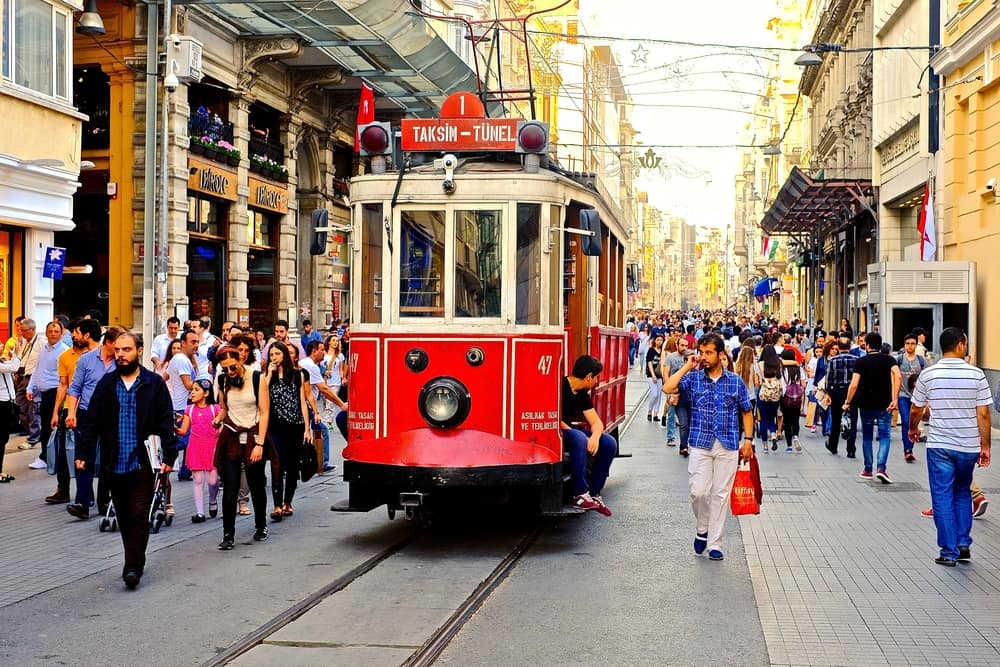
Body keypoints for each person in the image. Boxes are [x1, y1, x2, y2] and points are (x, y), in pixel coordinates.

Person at [75, 332, 177, 590]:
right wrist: (84, 455)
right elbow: (91, 423)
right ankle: (133, 558)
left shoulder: (153, 384)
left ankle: (133, 566)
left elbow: (166, 422)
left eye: (127, 349)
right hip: (114, 463)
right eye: (118, 349)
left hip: (143, 461)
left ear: (139, 351)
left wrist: (170, 454)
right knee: (124, 515)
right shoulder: (107, 385)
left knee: (139, 514)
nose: (121, 354)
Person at [664, 332, 754, 561]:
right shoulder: (693, 378)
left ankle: (715, 543)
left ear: (720, 354)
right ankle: (702, 529)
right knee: (699, 491)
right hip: (700, 443)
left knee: (720, 494)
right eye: (701, 352)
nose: (703, 357)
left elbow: (746, 411)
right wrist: (687, 367)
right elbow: (668, 388)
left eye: (708, 353)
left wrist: (748, 441)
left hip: (728, 444)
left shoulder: (734, 381)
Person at [908, 327, 991, 566]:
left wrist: (912, 429)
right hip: (967, 446)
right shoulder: (976, 375)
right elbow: (983, 414)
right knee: (963, 491)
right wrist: (985, 446)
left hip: (940, 445)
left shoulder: (928, 375)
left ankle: (948, 551)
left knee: (942, 495)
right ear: (961, 345)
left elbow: (916, 408)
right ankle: (963, 544)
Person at [213, 348, 275, 549]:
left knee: (256, 484)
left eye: (233, 367)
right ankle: (228, 535)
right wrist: (218, 419)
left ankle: (261, 526)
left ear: (241, 360)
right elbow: (224, 408)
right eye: (225, 369)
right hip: (232, 436)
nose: (230, 372)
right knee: (230, 488)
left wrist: (260, 443)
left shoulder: (257, 378)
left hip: (253, 435)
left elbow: (265, 413)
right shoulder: (223, 381)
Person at [64, 326, 121, 519]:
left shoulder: (121, 363)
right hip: (87, 413)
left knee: (108, 459)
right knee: (83, 457)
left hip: (111, 416)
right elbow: (75, 389)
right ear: (109, 343)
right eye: (118, 346)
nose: (121, 350)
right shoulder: (87, 360)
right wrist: (71, 413)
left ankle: (104, 502)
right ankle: (82, 501)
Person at [560, 355, 616, 516]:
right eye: (596, 377)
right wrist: (582, 437)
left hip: (569, 430)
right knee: (578, 438)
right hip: (557, 429)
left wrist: (595, 437)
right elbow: (555, 419)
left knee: (608, 443)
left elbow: (597, 422)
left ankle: (594, 493)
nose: (597, 381)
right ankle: (579, 493)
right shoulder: (560, 386)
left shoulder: (582, 393)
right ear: (588, 376)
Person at [262, 341, 311, 520]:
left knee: (292, 465)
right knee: (277, 463)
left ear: (284, 355)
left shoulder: (297, 375)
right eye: (271, 355)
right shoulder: (268, 376)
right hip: (276, 427)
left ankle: (287, 502)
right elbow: (262, 395)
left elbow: (302, 402)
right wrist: (268, 375)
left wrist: (307, 427)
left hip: (295, 426)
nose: (274, 358)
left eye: (277, 354)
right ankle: (276, 505)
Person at [843, 332, 901, 483]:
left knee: (867, 436)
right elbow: (898, 376)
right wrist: (895, 398)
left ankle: (868, 469)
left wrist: (848, 401)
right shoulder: (889, 360)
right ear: (880, 345)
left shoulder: (861, 362)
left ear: (867, 345)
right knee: (884, 436)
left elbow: (854, 384)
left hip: (866, 404)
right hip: (885, 404)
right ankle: (881, 468)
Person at [176, 379, 220, 523]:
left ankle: (213, 500)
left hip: (212, 445)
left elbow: (221, 428)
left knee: (213, 480)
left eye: (196, 390)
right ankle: (200, 512)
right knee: (198, 479)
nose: (192, 393)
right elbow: (183, 430)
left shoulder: (215, 409)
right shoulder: (190, 409)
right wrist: (174, 427)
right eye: (192, 389)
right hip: (195, 445)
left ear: (206, 393)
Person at [24, 321, 68, 463]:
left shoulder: (64, 351)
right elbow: (38, 369)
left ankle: (47, 458)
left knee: (51, 427)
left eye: (56, 331)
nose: (53, 334)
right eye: (50, 331)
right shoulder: (43, 348)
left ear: (62, 334)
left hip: (55, 393)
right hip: (43, 393)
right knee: (45, 425)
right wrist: (31, 387)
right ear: (46, 332)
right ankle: (48, 457)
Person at [825, 335, 859, 457]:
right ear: (850, 347)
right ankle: (851, 449)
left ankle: (833, 445)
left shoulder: (833, 361)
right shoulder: (857, 360)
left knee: (836, 419)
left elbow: (828, 379)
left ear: (838, 347)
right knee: (853, 420)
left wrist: (828, 393)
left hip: (837, 392)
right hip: (852, 392)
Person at [896, 333, 927, 463]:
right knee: (905, 421)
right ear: (904, 345)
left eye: (912, 343)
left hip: (917, 397)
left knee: (913, 422)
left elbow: (926, 379)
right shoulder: (898, 359)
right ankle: (908, 450)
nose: (910, 346)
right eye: (908, 343)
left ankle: (911, 446)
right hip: (902, 395)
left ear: (916, 344)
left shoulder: (921, 361)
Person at [661, 336, 690, 446]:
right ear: (677, 345)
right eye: (682, 345)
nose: (684, 348)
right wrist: (670, 391)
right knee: (671, 414)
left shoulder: (688, 358)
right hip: (673, 390)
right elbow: (665, 374)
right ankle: (670, 437)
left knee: (686, 417)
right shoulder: (670, 358)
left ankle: (686, 442)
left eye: (686, 346)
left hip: (685, 390)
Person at [756, 345, 783, 452]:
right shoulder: (778, 364)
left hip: (763, 394)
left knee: (763, 419)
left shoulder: (759, 365)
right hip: (775, 395)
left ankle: (765, 446)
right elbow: (780, 380)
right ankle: (773, 434)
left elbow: (757, 381)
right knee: (772, 417)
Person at [0, 346, 21, 482]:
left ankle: (0, 471)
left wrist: (13, 355)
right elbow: (14, 367)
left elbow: (12, 364)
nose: (2, 345)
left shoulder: (2, 361)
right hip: (1, 404)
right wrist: (17, 354)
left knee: (3, 439)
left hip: (7, 403)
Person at [779, 348, 804, 453]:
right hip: (797, 398)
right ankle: (795, 436)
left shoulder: (782, 369)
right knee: (796, 420)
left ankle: (789, 446)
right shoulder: (799, 369)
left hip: (785, 397)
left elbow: (780, 384)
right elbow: (803, 384)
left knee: (787, 422)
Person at [645, 334, 664, 422]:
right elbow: (649, 363)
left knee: (659, 395)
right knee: (654, 394)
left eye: (661, 340)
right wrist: (653, 375)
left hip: (660, 375)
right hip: (651, 375)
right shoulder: (651, 350)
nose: (659, 342)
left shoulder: (663, 351)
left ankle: (656, 414)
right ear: (655, 341)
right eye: (658, 340)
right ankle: (649, 411)